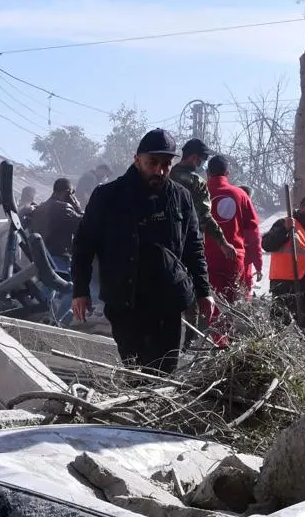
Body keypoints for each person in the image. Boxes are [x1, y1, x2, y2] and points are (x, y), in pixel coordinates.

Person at [70, 129, 214, 373]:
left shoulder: (181, 198)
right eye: (152, 163)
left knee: (165, 374)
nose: (159, 170)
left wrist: (204, 290)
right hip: (127, 302)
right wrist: (80, 290)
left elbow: (194, 247)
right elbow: (84, 244)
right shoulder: (108, 196)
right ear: (137, 159)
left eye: (166, 165)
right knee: (136, 374)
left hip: (169, 300)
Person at [263, 193, 305, 327]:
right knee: (281, 321)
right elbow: (266, 244)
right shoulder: (285, 223)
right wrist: (284, 229)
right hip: (283, 284)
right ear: (303, 208)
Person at [206, 155, 260, 300]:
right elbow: (253, 233)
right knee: (234, 308)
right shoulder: (241, 195)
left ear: (207, 173)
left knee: (210, 306)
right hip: (234, 258)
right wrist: (258, 263)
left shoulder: (199, 193)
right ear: (227, 173)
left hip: (205, 260)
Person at [31, 178, 83, 263]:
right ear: (68, 192)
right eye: (72, 193)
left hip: (40, 257)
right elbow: (83, 226)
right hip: (59, 258)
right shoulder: (65, 208)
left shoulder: (41, 207)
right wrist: (77, 208)